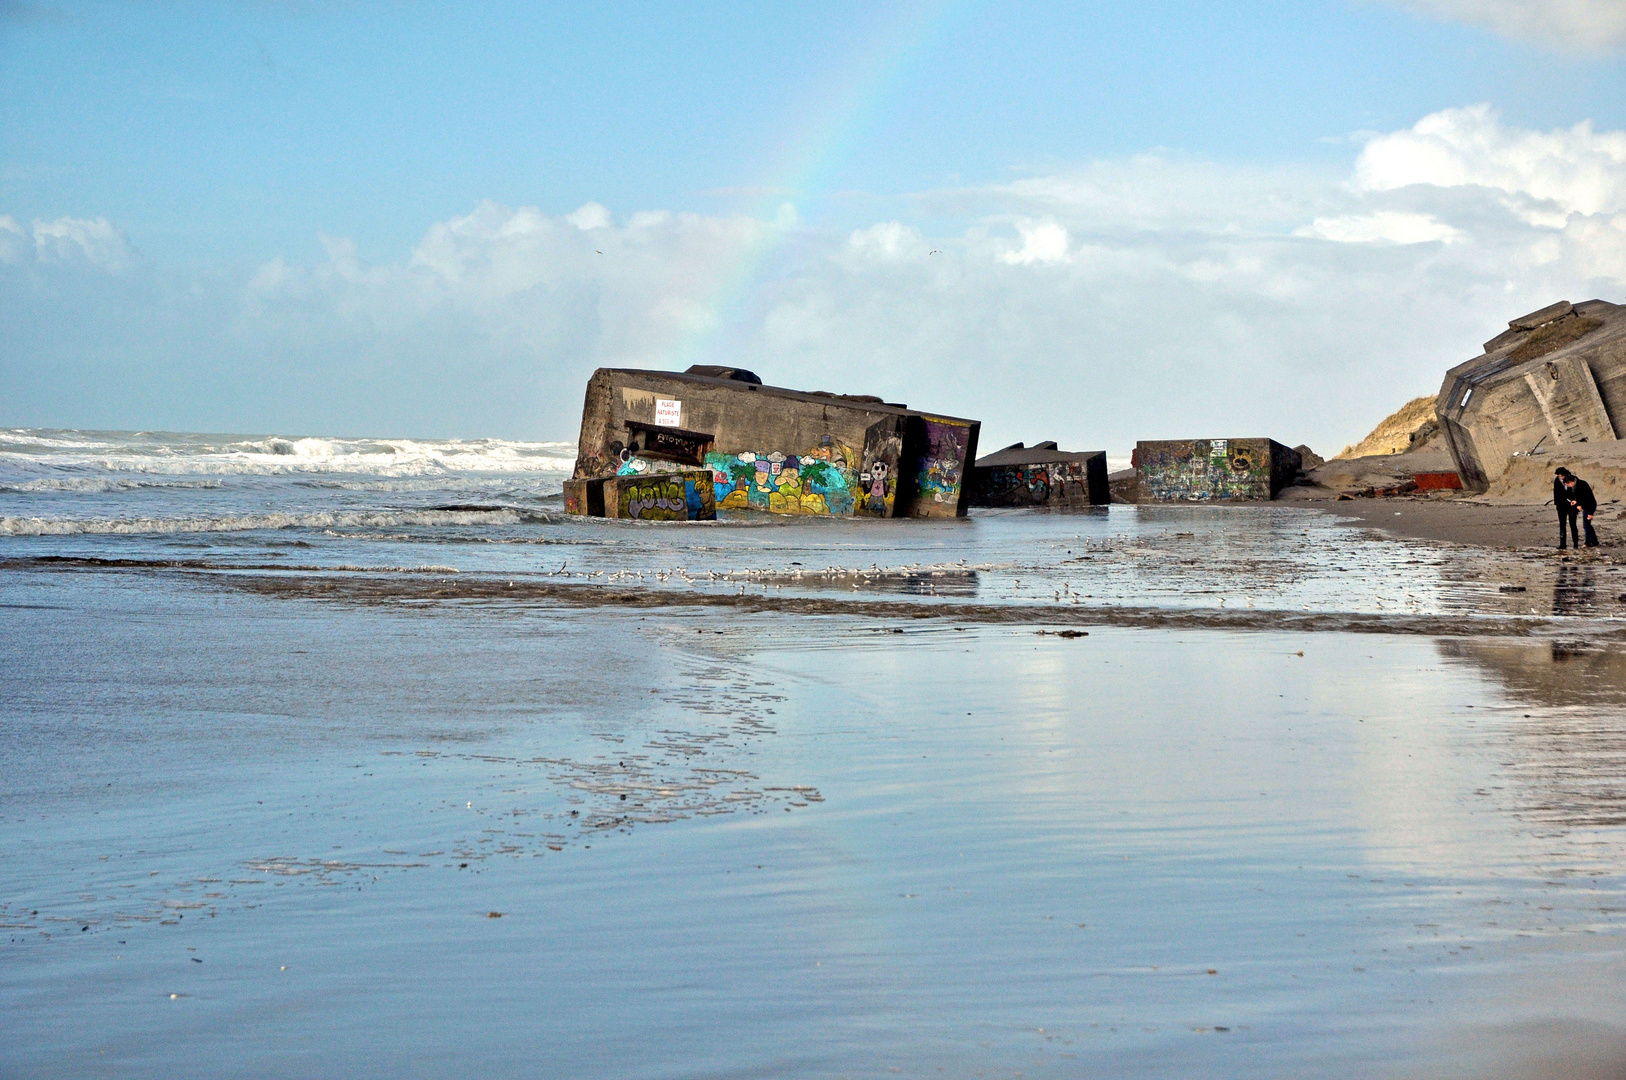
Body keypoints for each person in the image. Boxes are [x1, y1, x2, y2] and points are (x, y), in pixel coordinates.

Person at [1562, 472, 1600, 548]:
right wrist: (1574, 501)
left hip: (1590, 506)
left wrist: (1581, 505)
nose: (1567, 486)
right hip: (1586, 506)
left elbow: (1587, 498)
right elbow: (1577, 497)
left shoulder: (1582, 484)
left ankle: (1588, 543)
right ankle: (1595, 541)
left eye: (1567, 484)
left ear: (1571, 482)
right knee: (1587, 524)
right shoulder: (1573, 487)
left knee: (1586, 524)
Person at [1555, 467, 1579, 548]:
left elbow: (1577, 491)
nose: (1560, 477)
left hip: (1571, 506)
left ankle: (1575, 543)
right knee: (1562, 525)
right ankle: (1562, 544)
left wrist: (1576, 502)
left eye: (1562, 476)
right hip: (1561, 506)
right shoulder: (1557, 480)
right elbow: (1556, 493)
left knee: (1573, 524)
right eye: (1559, 476)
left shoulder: (1572, 479)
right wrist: (1557, 504)